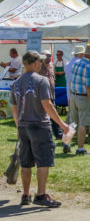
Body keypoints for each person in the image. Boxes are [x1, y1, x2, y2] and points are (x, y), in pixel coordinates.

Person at [11, 51, 70, 207]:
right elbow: (47, 104)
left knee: (26, 162)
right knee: (43, 161)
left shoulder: (16, 83)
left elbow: (14, 108)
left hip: (23, 125)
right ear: (36, 63)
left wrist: (18, 126)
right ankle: (41, 194)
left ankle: (25, 194)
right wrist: (62, 124)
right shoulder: (41, 81)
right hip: (39, 125)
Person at [69, 43, 90, 155]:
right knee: (83, 124)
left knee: (73, 123)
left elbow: (72, 81)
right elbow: (89, 87)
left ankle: (66, 143)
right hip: (83, 97)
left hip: (74, 95)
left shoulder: (76, 63)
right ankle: (80, 148)